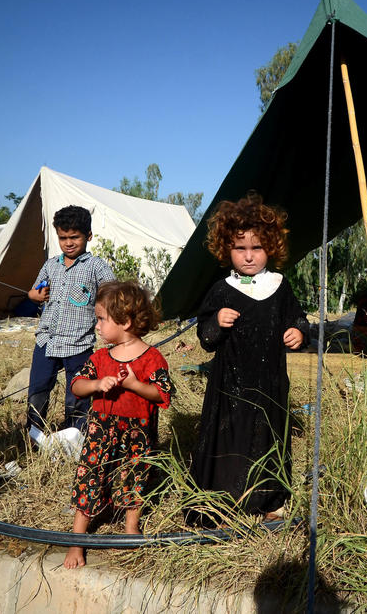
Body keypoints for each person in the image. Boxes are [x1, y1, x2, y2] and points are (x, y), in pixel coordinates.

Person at [187, 191, 310, 526]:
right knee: (229, 441)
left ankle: (271, 501)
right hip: (229, 387)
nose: (249, 256)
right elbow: (205, 338)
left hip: (270, 384)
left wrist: (299, 332)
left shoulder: (279, 286)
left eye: (256, 248)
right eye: (240, 248)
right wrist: (217, 322)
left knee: (270, 437)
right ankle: (222, 504)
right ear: (226, 249)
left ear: (271, 247)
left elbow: (298, 318)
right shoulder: (221, 289)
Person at [63, 281, 174, 568]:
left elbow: (162, 394)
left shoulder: (152, 358)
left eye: (101, 319)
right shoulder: (100, 358)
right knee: (89, 476)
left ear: (124, 321)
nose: (97, 326)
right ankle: (78, 540)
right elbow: (76, 386)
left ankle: (130, 526)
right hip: (101, 431)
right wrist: (97, 384)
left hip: (137, 434)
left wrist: (136, 385)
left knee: (133, 477)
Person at [26, 205, 115, 435]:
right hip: (46, 341)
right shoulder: (51, 265)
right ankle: (34, 433)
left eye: (74, 237)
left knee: (77, 393)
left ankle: (74, 435)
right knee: (38, 389)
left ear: (89, 236)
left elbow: (112, 294)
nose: (68, 242)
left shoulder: (96, 267)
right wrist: (36, 295)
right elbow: (32, 292)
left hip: (78, 344)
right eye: (63, 237)